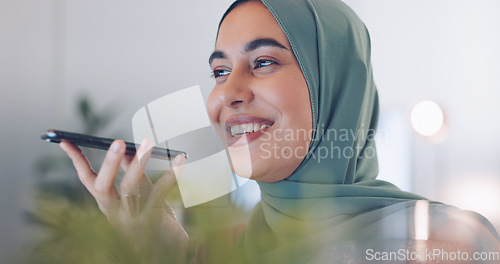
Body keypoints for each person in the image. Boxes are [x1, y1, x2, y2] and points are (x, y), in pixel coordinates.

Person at [60, 0, 500, 263]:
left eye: (264, 62)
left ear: (335, 86)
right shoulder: (217, 250)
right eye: (218, 71)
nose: (226, 93)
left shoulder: (443, 242)